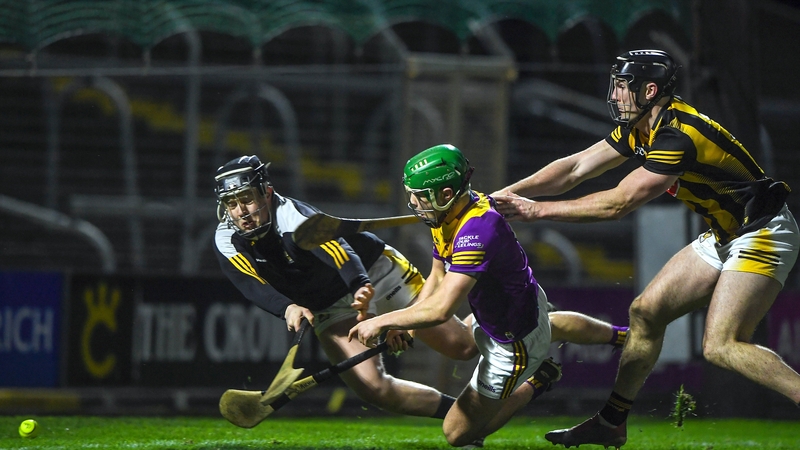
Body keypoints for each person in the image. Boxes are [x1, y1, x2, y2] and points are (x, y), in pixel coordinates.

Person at [492, 49, 800, 448]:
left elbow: (619, 202)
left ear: (649, 90)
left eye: (622, 86)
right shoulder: (641, 127)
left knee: (721, 345)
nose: (615, 94)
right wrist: (509, 194)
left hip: (763, 231)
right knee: (646, 311)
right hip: (725, 234)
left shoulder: (677, 135)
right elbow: (575, 168)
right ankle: (612, 422)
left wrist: (534, 211)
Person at [213, 154, 627, 442]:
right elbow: (248, 282)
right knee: (374, 389)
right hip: (328, 305)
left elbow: (345, 253)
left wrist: (381, 307)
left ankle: (588, 343)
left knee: (463, 347)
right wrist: (286, 306)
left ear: (266, 193)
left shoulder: (293, 220)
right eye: (232, 204)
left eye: (247, 199)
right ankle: (465, 412)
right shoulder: (226, 236)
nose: (241, 211)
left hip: (373, 272)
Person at [349, 144, 573, 447]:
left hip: (513, 339)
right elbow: (437, 277)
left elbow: (441, 310)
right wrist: (407, 325)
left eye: (419, 195)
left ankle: (537, 380)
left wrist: (381, 322)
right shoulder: (447, 214)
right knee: (467, 356)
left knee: (457, 434)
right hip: (499, 313)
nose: (413, 202)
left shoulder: (477, 230)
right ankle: (615, 336)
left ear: (445, 193)